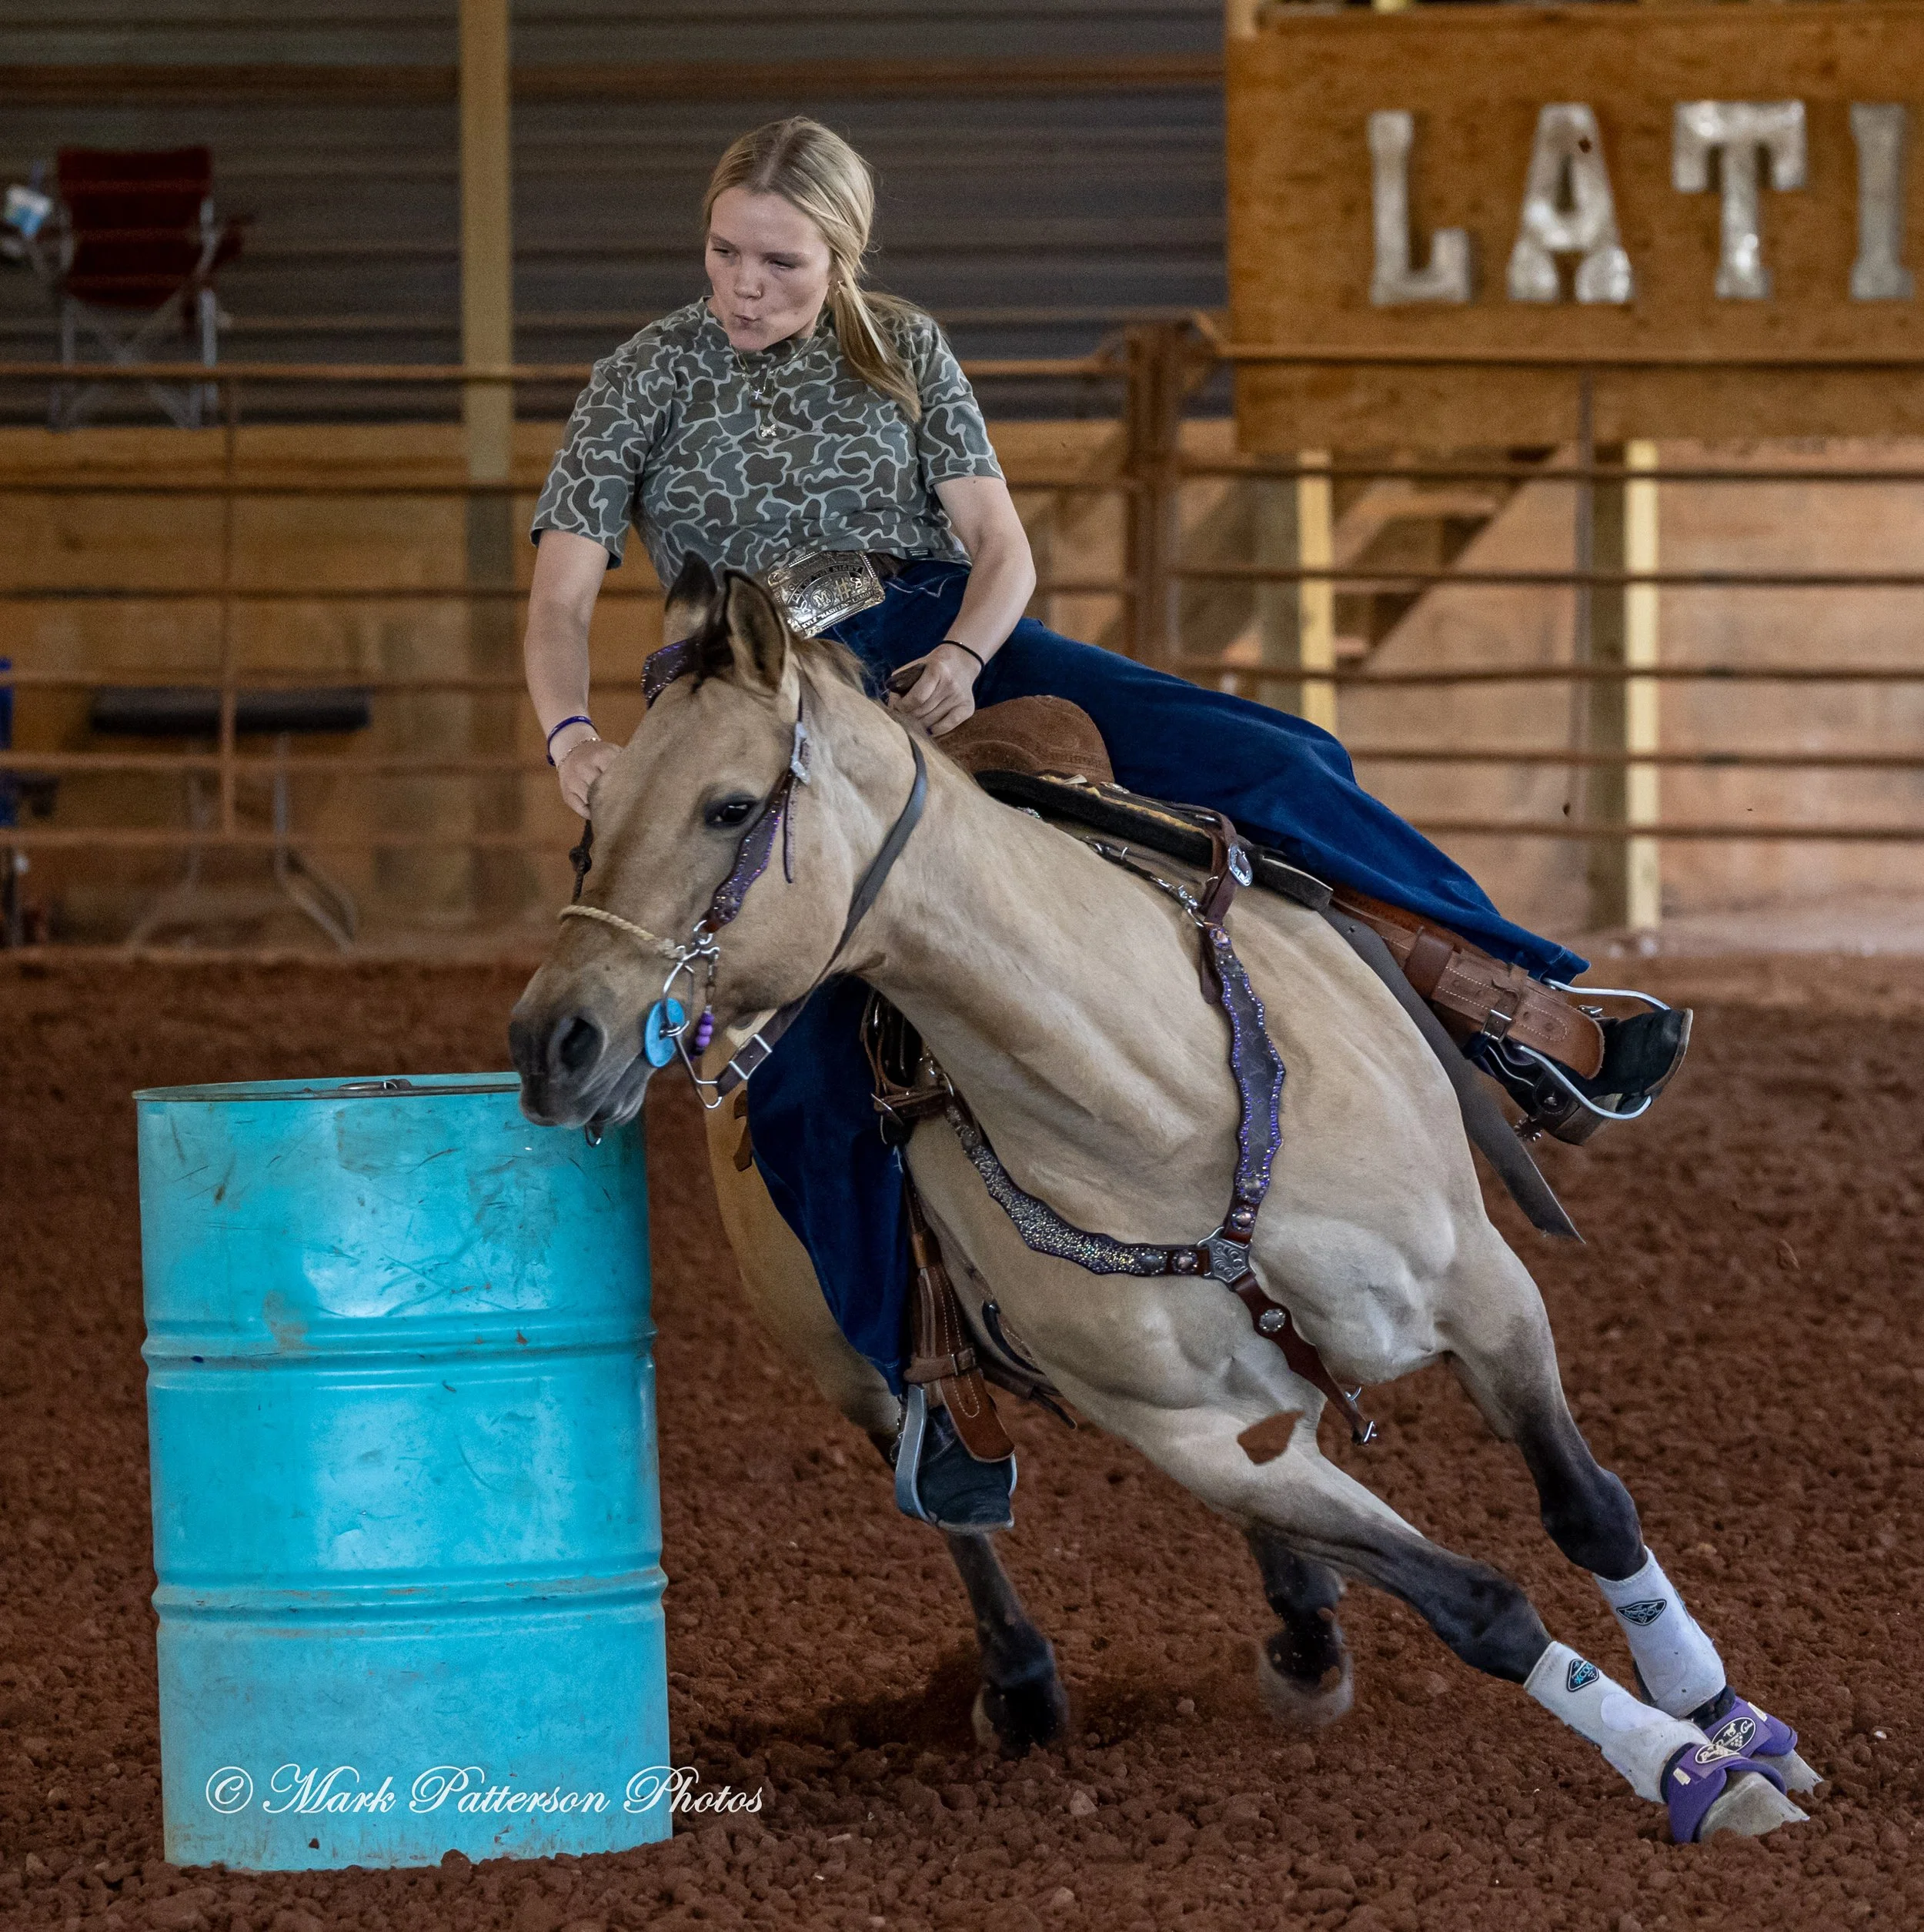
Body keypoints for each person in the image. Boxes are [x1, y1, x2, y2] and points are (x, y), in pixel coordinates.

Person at [523, 117, 1687, 1532]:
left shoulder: (906, 353)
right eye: (724, 251)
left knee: (1275, 756)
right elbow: (565, 596)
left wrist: (960, 657)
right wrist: (575, 730)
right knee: (803, 1066)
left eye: (779, 260)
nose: (743, 285)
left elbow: (1002, 549)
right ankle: (933, 1376)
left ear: (841, 258)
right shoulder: (643, 379)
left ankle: (1520, 1004)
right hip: (751, 711)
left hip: (930, 644)